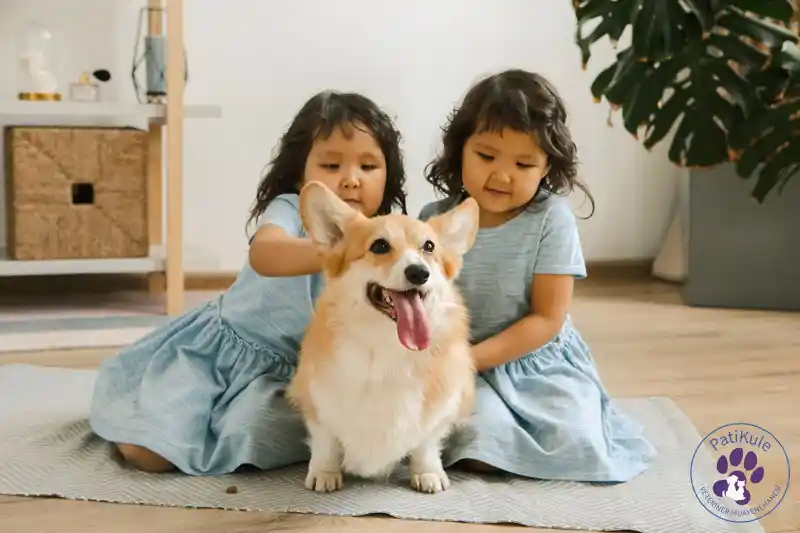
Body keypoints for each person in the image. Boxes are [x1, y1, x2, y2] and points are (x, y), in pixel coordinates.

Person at [89, 91, 408, 476]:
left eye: (369, 166)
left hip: (292, 376)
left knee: (270, 431)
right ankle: (162, 414)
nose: (351, 180)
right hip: (225, 355)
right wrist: (337, 249)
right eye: (331, 164)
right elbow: (266, 253)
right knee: (146, 452)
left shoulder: (387, 237)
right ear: (300, 173)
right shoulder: (290, 209)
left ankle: (233, 428)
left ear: (388, 172)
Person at [418, 69, 657, 483]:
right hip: (459, 360)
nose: (502, 175)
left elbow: (547, 319)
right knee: (478, 441)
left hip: (534, 363)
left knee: (575, 438)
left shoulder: (551, 220)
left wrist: (469, 361)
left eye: (523, 163)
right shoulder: (433, 220)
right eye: (487, 156)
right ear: (460, 151)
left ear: (547, 166)